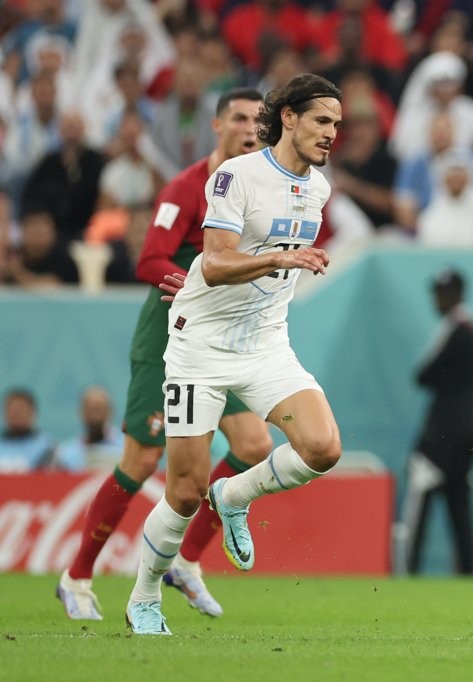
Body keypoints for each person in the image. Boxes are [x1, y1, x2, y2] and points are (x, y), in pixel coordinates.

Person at [124, 73, 343, 635]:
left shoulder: (318, 188)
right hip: (201, 344)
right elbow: (216, 264)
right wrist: (283, 259)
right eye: (322, 120)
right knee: (183, 490)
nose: (331, 133)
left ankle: (236, 494)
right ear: (289, 118)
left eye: (337, 125)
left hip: (265, 342)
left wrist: (286, 262)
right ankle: (145, 594)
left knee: (322, 447)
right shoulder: (234, 176)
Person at [56, 88, 272, 622]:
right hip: (168, 341)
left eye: (257, 120)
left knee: (254, 442)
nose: (249, 127)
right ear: (218, 125)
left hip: (223, 339)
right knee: (142, 460)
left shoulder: (260, 190)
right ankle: (77, 576)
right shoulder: (186, 187)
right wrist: (200, 286)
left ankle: (187, 561)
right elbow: (150, 259)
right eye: (239, 117)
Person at [401, 268, 473, 575]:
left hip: (442, 432)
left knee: (419, 497)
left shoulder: (457, 329)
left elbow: (424, 375)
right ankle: (469, 573)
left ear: (457, 294)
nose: (437, 300)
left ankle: (408, 568)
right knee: (458, 502)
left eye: (442, 293)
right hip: (466, 429)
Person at [55, 386, 125, 471]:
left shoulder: (125, 449)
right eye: (92, 409)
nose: (96, 416)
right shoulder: (66, 454)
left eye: (99, 408)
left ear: (110, 411)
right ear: (81, 412)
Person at [0, 388, 54, 472]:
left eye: (20, 409)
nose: (15, 414)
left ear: (32, 412)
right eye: (11, 409)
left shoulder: (46, 447)